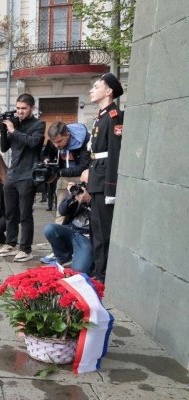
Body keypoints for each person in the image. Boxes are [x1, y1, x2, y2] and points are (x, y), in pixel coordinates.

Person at [0, 93, 46, 262]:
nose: (20, 111)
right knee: (10, 212)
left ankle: (25, 249)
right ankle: (10, 243)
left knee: (25, 214)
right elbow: (4, 148)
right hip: (12, 174)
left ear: (32, 108)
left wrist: (13, 130)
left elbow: (33, 143)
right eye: (18, 108)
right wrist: (4, 131)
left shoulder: (39, 124)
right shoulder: (15, 124)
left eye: (24, 108)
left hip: (27, 174)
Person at [87, 72, 124, 282]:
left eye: (96, 86)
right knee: (96, 228)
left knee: (103, 230)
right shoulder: (101, 116)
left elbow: (115, 153)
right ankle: (98, 269)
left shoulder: (113, 116)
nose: (92, 90)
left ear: (108, 91)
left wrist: (111, 187)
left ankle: (103, 274)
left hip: (104, 179)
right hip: (96, 176)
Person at [42, 170, 93, 274]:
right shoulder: (78, 191)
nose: (83, 186)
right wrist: (71, 196)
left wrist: (89, 201)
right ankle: (64, 259)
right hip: (72, 230)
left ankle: (83, 258)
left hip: (87, 236)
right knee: (50, 229)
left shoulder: (100, 196)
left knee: (79, 271)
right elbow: (62, 211)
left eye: (86, 184)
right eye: (82, 183)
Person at [42, 121, 90, 218]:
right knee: (60, 213)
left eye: (59, 141)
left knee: (81, 211)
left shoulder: (83, 139)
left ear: (68, 135)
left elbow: (83, 166)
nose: (56, 145)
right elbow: (46, 153)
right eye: (53, 142)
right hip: (62, 178)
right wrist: (46, 159)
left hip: (80, 178)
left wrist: (59, 172)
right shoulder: (55, 139)